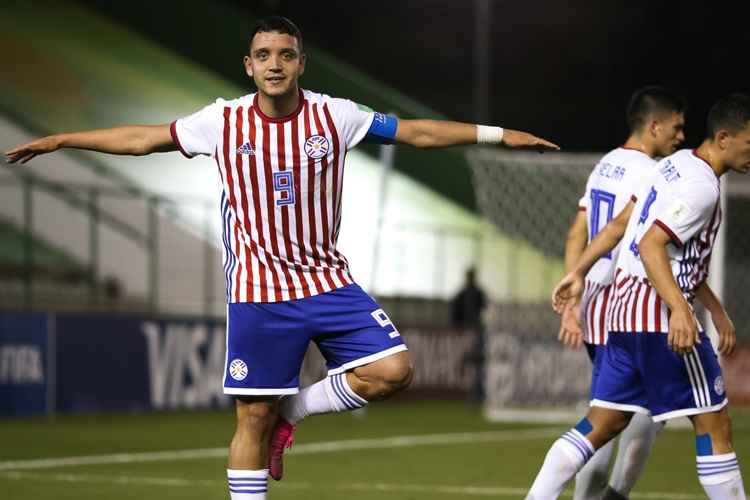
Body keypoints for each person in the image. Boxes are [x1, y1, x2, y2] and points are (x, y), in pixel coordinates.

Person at [4, 16, 558, 500]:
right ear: (248, 65)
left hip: (326, 281)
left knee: (393, 371)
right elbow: (144, 139)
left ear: (301, 63)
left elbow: (415, 131)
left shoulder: (336, 116)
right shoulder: (222, 122)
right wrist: (62, 140)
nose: (275, 65)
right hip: (257, 292)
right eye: (264, 55)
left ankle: (291, 415)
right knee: (251, 417)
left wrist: (498, 134)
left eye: (286, 55)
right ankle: (272, 427)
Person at [527, 93, 750, 500]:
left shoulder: (670, 167)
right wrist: (681, 310)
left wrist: (578, 272)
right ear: (724, 137)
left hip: (620, 311)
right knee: (715, 424)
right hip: (658, 313)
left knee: (603, 422)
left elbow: (617, 228)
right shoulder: (701, 187)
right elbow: (651, 246)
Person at [559, 86, 685, 500]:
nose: (680, 137)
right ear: (654, 125)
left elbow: (577, 232)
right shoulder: (652, 172)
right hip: (625, 297)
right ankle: (608, 496)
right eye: (675, 127)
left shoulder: (606, 164)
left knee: (612, 410)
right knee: (630, 414)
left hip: (594, 295)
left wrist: (572, 298)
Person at [451, 267, 487, 400]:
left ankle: (476, 393)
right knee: (475, 362)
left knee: (476, 361)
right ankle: (476, 393)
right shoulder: (469, 294)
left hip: (474, 331)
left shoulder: (474, 294)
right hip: (470, 331)